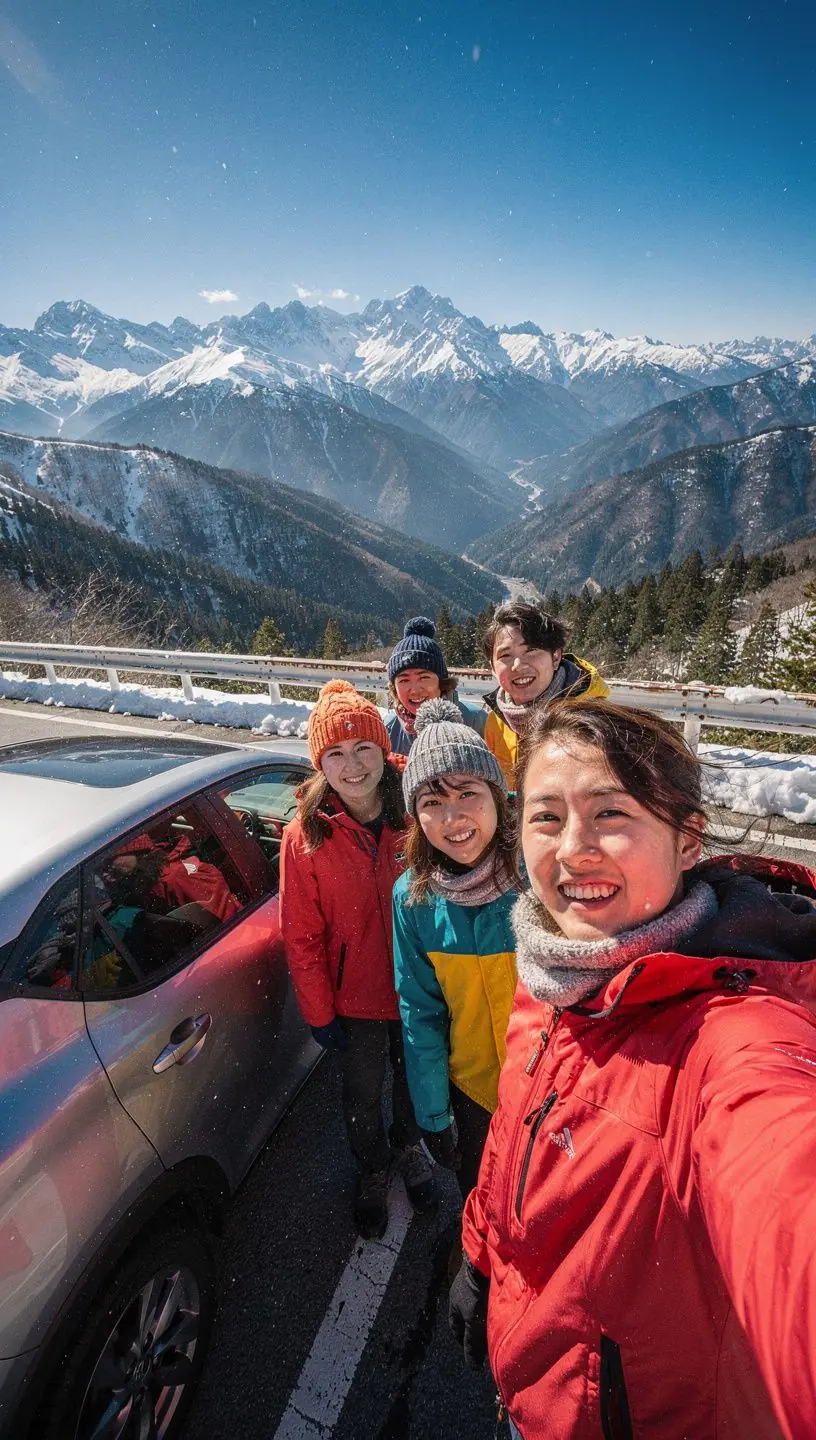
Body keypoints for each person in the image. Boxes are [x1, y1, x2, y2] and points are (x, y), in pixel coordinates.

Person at [451, 698, 816, 1440]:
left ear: (687, 841)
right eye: (547, 818)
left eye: (610, 814)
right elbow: (514, 1134)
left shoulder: (731, 1039)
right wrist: (480, 1257)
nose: (572, 848)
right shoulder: (554, 973)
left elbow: (785, 1198)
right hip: (526, 1394)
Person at [279, 679, 435, 1239]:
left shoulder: (418, 808)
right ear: (320, 763)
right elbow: (302, 935)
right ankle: (372, 1168)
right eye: (336, 754)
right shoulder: (306, 836)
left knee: (417, 1084)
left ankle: (409, 1147)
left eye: (364, 748)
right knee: (362, 1096)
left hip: (420, 990)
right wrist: (320, 1013)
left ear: (383, 747)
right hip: (357, 999)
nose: (352, 766)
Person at [392, 698, 519, 1200]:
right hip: (473, 1095)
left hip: (550, 1085)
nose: (452, 817)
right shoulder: (413, 897)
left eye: (467, 792)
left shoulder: (539, 875)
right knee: (482, 1200)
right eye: (431, 803)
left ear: (497, 795)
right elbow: (420, 1010)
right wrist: (432, 1111)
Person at [481, 600, 608, 787]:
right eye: (505, 656)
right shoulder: (496, 722)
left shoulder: (593, 717)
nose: (519, 665)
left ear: (555, 657)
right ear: (492, 667)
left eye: (531, 651)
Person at [384, 616, 485, 758]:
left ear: (442, 681)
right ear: (394, 688)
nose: (415, 689)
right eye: (404, 680)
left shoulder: (475, 721)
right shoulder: (389, 729)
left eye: (424, 677)